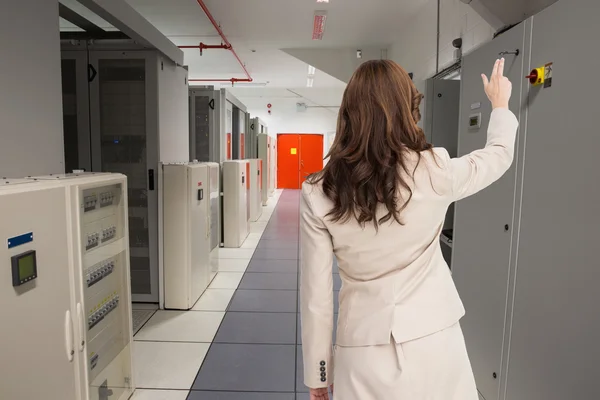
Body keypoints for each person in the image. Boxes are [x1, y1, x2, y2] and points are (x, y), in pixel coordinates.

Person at [300, 58, 517, 400]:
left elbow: (317, 296)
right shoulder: (436, 169)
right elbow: (498, 156)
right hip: (436, 341)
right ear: (406, 107)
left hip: (361, 351)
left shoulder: (319, 191)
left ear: (348, 113)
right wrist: (500, 105)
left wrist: (318, 372)